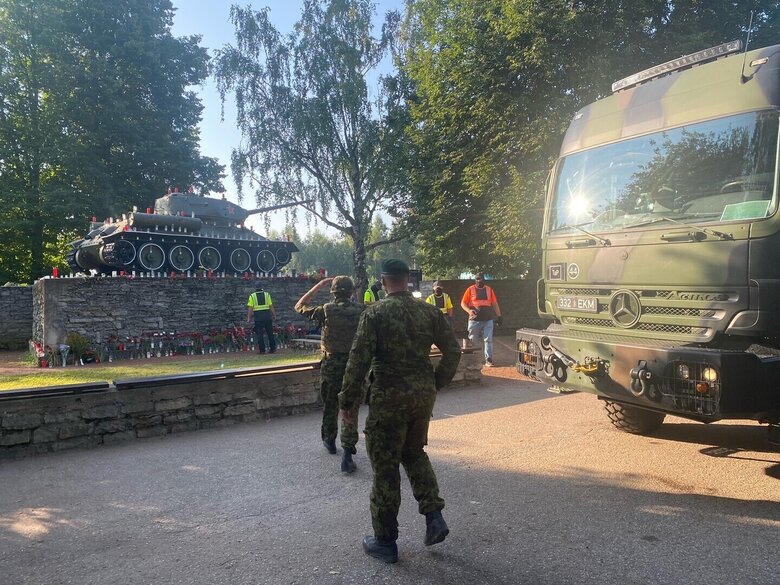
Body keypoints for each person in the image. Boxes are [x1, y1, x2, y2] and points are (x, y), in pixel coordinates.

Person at [340, 259, 461, 564]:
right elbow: (453, 349)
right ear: (408, 279)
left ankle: (385, 541)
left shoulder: (375, 313)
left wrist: (347, 403)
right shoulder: (429, 311)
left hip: (389, 398)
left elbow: (357, 362)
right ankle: (434, 516)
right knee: (414, 453)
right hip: (421, 397)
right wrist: (436, 382)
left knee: (385, 469)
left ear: (383, 281)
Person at [295, 276, 364, 473]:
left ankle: (329, 440)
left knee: (330, 404)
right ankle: (348, 453)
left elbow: (299, 306)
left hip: (331, 364)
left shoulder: (325, 310)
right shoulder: (361, 310)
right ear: (351, 292)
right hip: (353, 364)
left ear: (333, 292)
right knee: (350, 407)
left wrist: (318, 285)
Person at [460, 272, 502, 367]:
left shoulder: (489, 290)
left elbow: (494, 304)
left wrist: (499, 316)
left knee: (488, 340)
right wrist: (469, 311)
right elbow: (463, 303)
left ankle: (489, 359)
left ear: (484, 279)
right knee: (472, 340)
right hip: (474, 320)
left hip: (488, 319)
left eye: (481, 279)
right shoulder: (470, 289)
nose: (479, 281)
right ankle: (471, 360)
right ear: (475, 280)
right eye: (477, 279)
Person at [246, 283, 276, 354]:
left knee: (260, 334)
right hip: (267, 317)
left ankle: (262, 350)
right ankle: (272, 349)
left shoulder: (252, 296)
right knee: (270, 333)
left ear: (255, 288)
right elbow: (271, 306)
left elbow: (250, 308)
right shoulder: (267, 294)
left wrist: (249, 318)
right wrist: (274, 314)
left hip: (258, 318)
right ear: (262, 287)